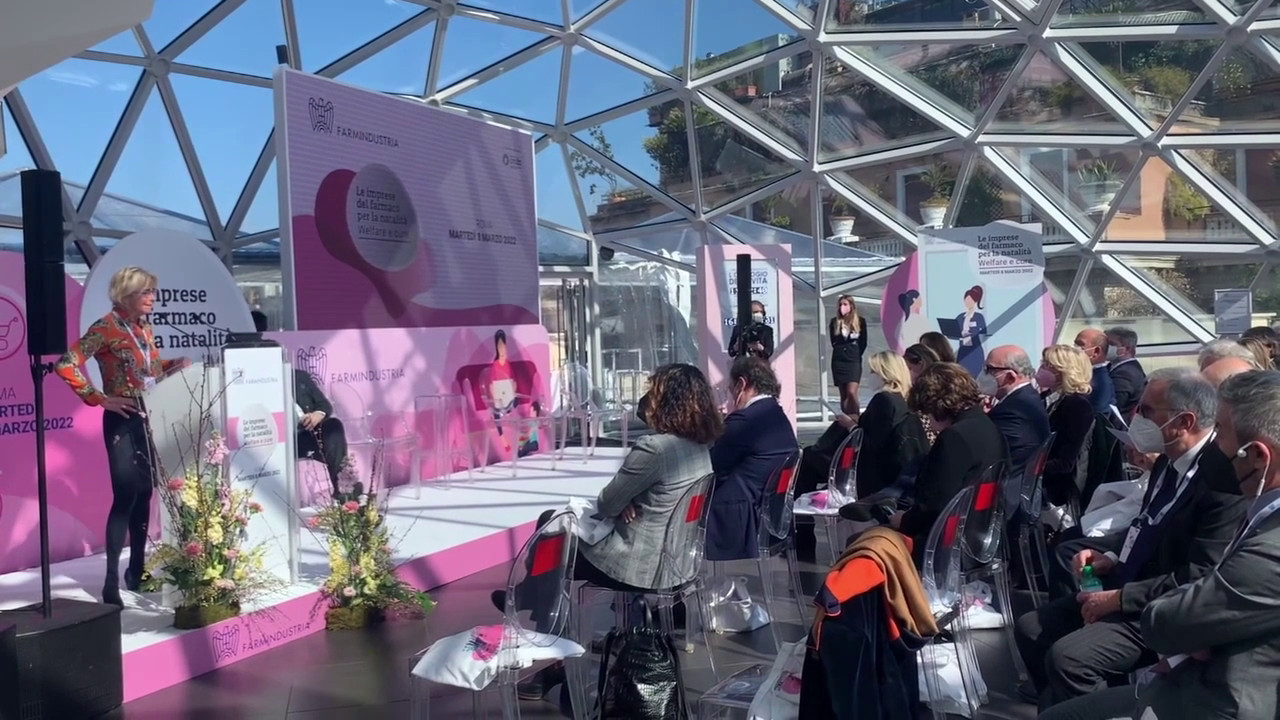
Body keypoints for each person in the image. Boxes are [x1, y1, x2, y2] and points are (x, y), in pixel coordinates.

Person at [1040, 370, 1280, 720]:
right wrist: (1112, 557)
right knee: (1038, 633)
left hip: (1212, 698)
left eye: (1221, 431)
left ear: (1257, 456)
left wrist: (1182, 627)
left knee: (1069, 663)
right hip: (1182, 646)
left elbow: (1177, 617)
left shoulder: (1264, 543)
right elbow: (1152, 527)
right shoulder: (1172, 464)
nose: (1213, 441)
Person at [492, 363, 721, 701]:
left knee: (552, 531)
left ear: (668, 402)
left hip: (637, 565)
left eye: (654, 393)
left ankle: (550, 650)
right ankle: (535, 608)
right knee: (553, 536)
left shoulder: (654, 449)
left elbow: (607, 502)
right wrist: (628, 501)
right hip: (677, 562)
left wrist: (622, 502)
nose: (648, 399)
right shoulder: (700, 448)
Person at [54, 266, 190, 606]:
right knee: (125, 495)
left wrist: (174, 364)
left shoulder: (144, 328)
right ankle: (110, 580)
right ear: (126, 295)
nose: (152, 298)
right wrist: (99, 398)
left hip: (150, 415)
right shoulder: (105, 327)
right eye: (146, 292)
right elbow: (65, 364)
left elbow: (150, 370)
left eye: (153, 292)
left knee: (145, 494)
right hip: (123, 419)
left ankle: (138, 571)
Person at [843, 362, 1007, 564]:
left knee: (860, 545)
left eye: (928, 412)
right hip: (980, 538)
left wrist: (904, 520)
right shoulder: (989, 427)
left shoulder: (954, 438)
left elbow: (935, 505)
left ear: (937, 404)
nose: (929, 420)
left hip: (944, 543)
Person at [706, 357, 797, 562]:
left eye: (731, 390)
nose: (731, 397)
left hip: (734, 519)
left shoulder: (744, 420)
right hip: (772, 515)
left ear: (741, 384)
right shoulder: (778, 416)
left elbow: (711, 467)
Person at [252, 311, 351, 497]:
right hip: (276, 440)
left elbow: (325, 405)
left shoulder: (299, 378)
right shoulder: (256, 385)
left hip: (304, 436)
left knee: (333, 426)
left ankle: (346, 492)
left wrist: (317, 415)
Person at [854, 351, 929, 498]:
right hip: (896, 472)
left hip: (878, 478)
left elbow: (874, 443)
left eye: (873, 371)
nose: (869, 376)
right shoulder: (902, 399)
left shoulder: (883, 400)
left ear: (885, 374)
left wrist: (852, 427)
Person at [982, 345, 1050, 499]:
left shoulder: (1013, 410)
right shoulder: (1027, 397)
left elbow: (987, 453)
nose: (985, 375)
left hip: (1005, 495)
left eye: (990, 369)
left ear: (1010, 377)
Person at [1036, 345, 1096, 507]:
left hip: (1054, 489)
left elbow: (1065, 462)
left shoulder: (1077, 406)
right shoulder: (1044, 398)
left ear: (1065, 371)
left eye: (1048, 365)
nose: (1042, 368)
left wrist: (1029, 469)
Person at [829, 294, 868, 416]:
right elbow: (833, 341)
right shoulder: (835, 322)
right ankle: (846, 419)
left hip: (853, 361)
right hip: (839, 360)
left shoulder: (860, 321)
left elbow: (863, 342)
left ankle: (856, 418)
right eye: (840, 304)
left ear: (851, 306)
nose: (842, 307)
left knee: (851, 392)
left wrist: (855, 353)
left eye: (845, 304)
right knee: (844, 394)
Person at [1106, 326, 1145, 422]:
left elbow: (1113, 406)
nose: (1106, 348)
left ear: (1127, 349)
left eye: (1111, 344)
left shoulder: (1125, 373)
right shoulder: (1117, 367)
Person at [1074, 328, 1117, 414]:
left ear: (1096, 352)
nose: (1074, 350)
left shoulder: (1101, 383)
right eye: (1075, 344)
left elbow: (1095, 415)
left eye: (1080, 345)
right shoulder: (1084, 373)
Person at [952, 286, 988, 377]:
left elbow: (984, 331)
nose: (967, 302)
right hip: (963, 351)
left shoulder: (978, 317)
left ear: (975, 301)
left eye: (970, 300)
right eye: (966, 300)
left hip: (975, 350)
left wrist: (972, 333)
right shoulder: (960, 317)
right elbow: (954, 331)